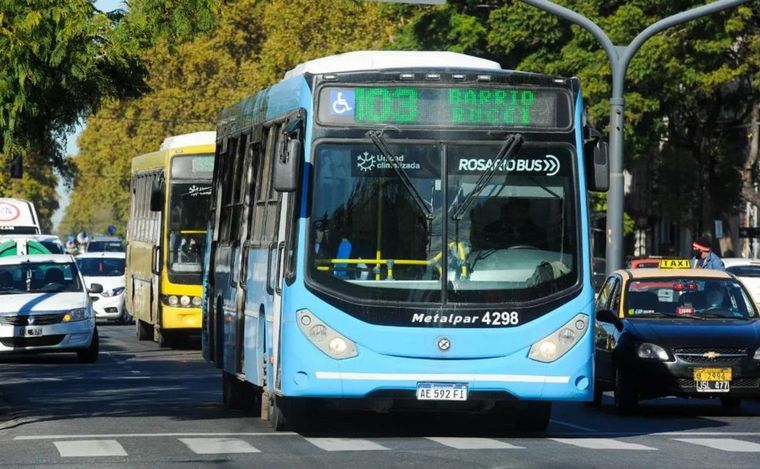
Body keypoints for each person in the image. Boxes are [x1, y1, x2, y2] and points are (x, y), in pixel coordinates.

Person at [481, 198, 547, 249]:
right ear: (509, 211)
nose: (522, 215)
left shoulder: (537, 233)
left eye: (525, 211)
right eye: (519, 211)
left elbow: (545, 256)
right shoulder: (491, 230)